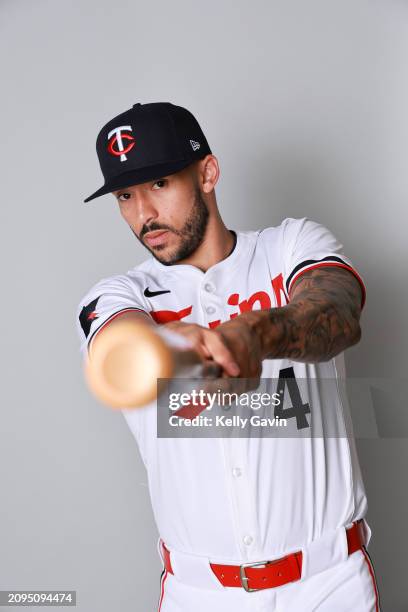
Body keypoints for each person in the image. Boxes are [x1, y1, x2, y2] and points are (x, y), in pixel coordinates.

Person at [76, 102, 380, 611]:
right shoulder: (119, 294)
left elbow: (338, 312)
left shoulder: (290, 246)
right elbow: (118, 347)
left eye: (160, 185)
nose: (142, 214)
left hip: (328, 585)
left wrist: (256, 335)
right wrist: (186, 354)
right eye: (125, 195)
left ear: (208, 173)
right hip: (202, 594)